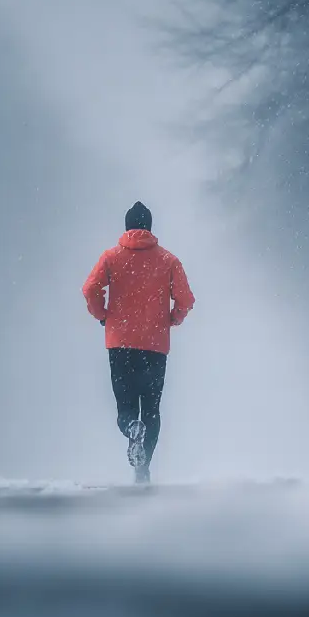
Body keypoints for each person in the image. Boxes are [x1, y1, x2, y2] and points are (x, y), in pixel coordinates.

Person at [82, 200, 194, 483]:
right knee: (152, 408)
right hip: (155, 346)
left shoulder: (111, 258)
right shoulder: (169, 261)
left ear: (127, 226)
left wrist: (103, 316)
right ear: (150, 227)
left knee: (126, 405)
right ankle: (143, 469)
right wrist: (173, 319)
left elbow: (90, 289)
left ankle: (132, 426)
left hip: (120, 345)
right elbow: (185, 300)